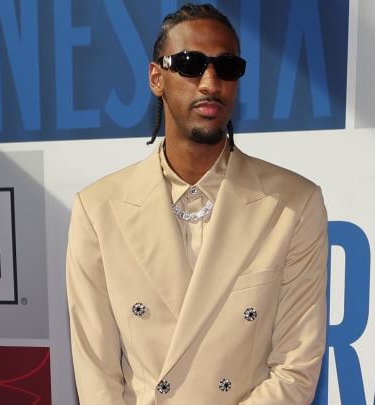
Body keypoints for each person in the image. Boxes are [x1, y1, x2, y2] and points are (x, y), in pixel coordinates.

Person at [66, 4, 328, 404]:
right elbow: (95, 372)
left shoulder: (293, 204)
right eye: (190, 64)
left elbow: (296, 367)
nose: (210, 82)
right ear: (157, 78)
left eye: (227, 67)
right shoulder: (98, 210)